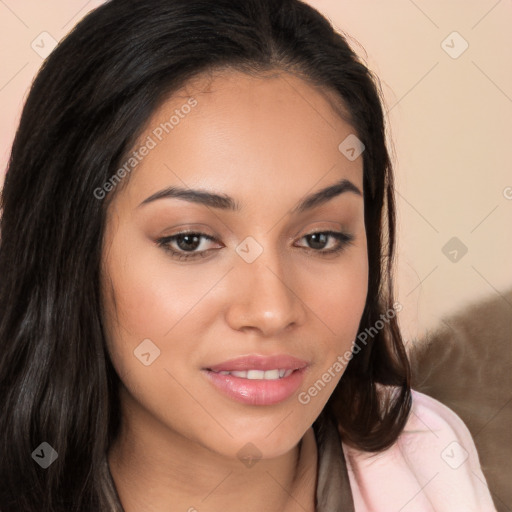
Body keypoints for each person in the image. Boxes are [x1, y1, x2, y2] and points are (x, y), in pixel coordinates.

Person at [0, 0, 496, 510]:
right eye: (190, 240)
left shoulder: (428, 456)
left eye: (320, 238)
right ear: (71, 250)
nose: (271, 310)